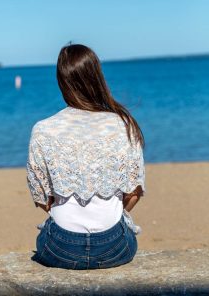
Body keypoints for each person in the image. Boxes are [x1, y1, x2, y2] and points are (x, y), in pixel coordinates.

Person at [26, 44, 146, 270]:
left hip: (60, 247)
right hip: (115, 246)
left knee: (45, 233)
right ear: (97, 77)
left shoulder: (43, 129)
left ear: (62, 83)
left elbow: (42, 198)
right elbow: (134, 193)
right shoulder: (123, 124)